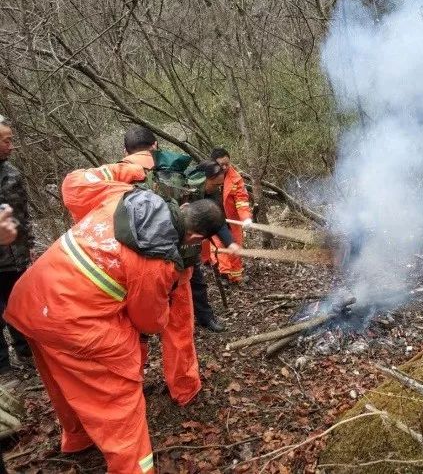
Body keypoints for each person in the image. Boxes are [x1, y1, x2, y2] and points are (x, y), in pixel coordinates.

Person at [4, 186, 226, 473]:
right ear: (195, 238)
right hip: (72, 321)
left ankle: (78, 438)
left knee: (65, 381)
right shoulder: (157, 261)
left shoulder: (125, 199)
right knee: (119, 398)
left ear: (183, 207)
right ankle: (133, 468)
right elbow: (149, 322)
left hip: (30, 302)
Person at [120, 127, 227, 332]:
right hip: (154, 248)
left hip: (176, 240)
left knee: (190, 283)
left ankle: (201, 317)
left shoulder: (170, 169)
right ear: (155, 145)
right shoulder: (125, 174)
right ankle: (157, 326)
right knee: (180, 289)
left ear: (125, 151)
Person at [0, 116, 34, 374]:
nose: (11, 145)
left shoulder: (12, 174)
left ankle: (27, 355)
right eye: (6, 140)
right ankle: (3, 366)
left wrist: (29, 244)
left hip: (17, 256)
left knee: (20, 307)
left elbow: (24, 215)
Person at [209, 147, 252, 283]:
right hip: (213, 218)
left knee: (235, 245)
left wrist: (246, 218)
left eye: (227, 163)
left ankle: (236, 275)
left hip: (232, 220)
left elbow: (242, 200)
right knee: (219, 246)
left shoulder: (235, 178)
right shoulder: (207, 176)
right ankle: (224, 275)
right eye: (221, 165)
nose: (225, 167)